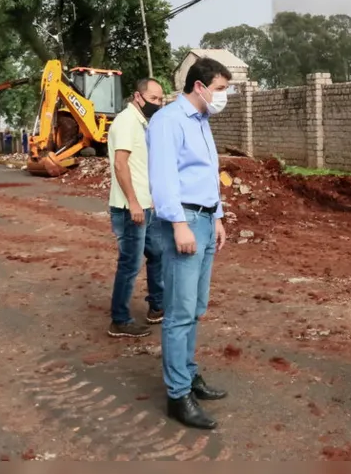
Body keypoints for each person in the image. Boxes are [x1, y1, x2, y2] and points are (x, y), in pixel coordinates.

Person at [147, 57, 230, 430]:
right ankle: (177, 395)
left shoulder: (202, 121)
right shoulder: (168, 121)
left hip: (205, 219)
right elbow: (163, 178)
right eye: (221, 89)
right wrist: (180, 225)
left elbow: (208, 174)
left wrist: (218, 216)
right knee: (179, 312)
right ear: (200, 87)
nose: (224, 96)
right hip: (184, 221)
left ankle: (189, 374)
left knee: (195, 307)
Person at [106, 78, 166, 338]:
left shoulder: (141, 123)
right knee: (130, 264)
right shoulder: (126, 122)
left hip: (144, 205)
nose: (159, 103)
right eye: (154, 99)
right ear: (137, 97)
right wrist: (133, 202)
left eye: (161, 99)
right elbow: (121, 165)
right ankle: (119, 319)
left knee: (157, 253)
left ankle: (157, 306)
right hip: (131, 209)